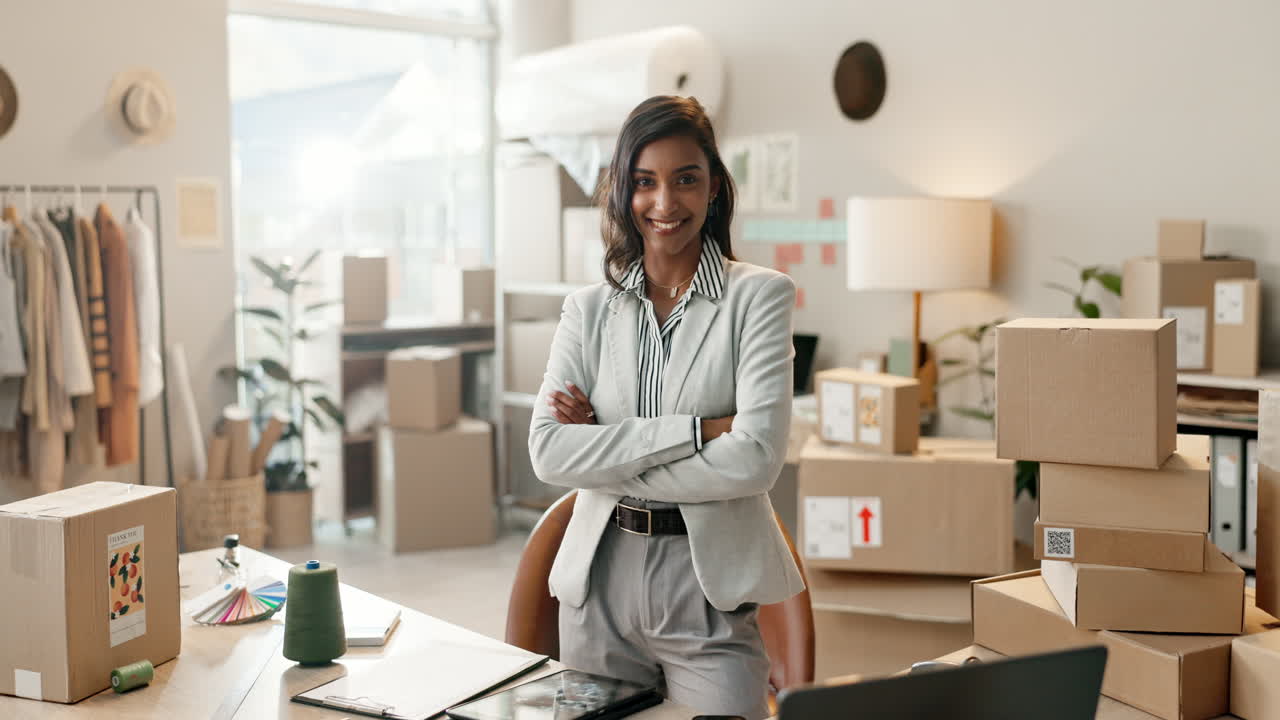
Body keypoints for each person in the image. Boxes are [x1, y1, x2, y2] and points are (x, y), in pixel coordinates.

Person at [527, 95, 804, 720]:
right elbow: (547, 451)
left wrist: (605, 444)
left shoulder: (759, 298)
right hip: (599, 581)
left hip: (707, 588)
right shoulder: (587, 310)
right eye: (645, 182)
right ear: (624, 192)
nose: (665, 203)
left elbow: (755, 461)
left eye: (686, 179)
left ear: (713, 188)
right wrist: (701, 431)